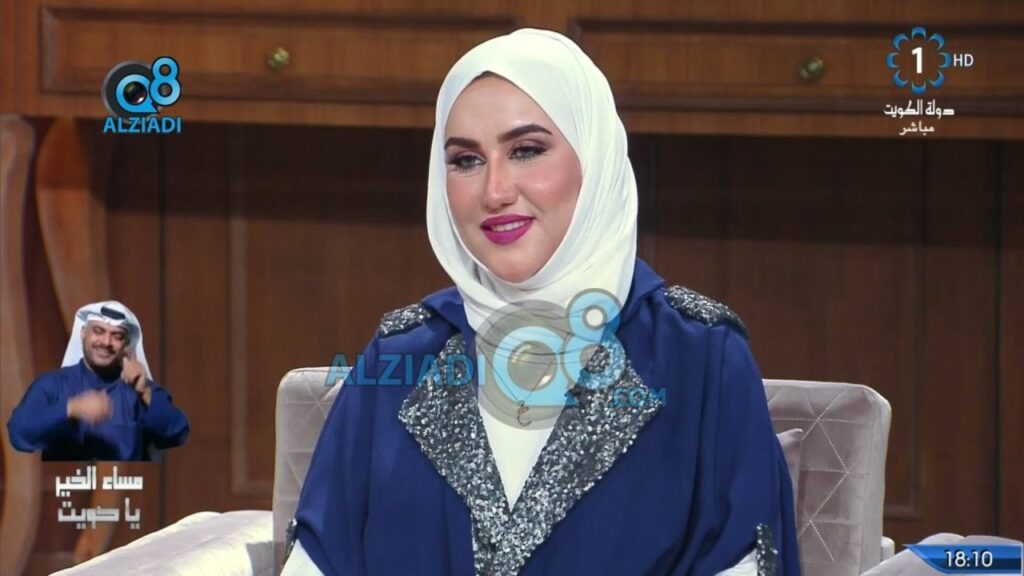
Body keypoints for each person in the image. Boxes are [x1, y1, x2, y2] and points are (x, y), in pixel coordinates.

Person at [284, 29, 800, 575]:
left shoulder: (701, 358)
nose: (495, 191)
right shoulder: (399, 357)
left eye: (526, 151)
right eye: (466, 160)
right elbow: (319, 560)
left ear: (594, 159)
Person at [7, 300, 189, 461]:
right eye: (98, 331)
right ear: (83, 333)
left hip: (123, 486)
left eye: (117, 336)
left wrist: (144, 393)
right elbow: (18, 434)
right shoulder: (52, 385)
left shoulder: (140, 389)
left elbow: (178, 433)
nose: (106, 342)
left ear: (126, 345)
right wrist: (72, 407)